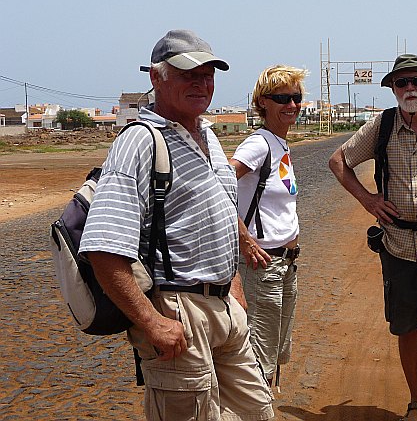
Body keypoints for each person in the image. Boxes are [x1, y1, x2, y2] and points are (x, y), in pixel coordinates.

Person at [79, 29, 274, 421]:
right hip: (178, 314)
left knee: (259, 412)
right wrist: (151, 322)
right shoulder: (139, 142)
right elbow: (102, 247)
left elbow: (220, 212)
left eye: (209, 74)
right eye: (188, 73)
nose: (201, 83)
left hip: (224, 309)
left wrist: (232, 284)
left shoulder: (209, 135)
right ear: (156, 77)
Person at [329, 54, 417, 421]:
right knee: (406, 328)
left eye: (416, 82)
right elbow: (338, 161)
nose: (410, 89)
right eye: (402, 83)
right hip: (397, 247)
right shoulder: (380, 126)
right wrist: (368, 200)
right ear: (393, 89)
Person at [229, 65, 307, 388]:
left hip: (285, 265)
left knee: (275, 351)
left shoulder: (281, 144)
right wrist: (244, 239)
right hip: (263, 267)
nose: (291, 105)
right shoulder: (259, 144)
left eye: (296, 98)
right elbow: (218, 186)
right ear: (263, 103)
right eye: (282, 98)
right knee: (259, 356)